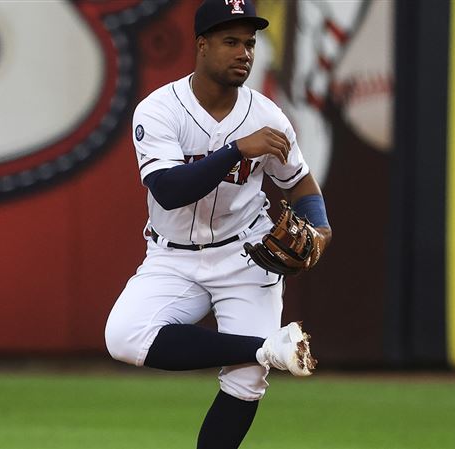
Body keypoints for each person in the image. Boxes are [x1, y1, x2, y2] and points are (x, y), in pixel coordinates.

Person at [105, 0, 332, 447]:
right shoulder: (159, 110)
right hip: (172, 258)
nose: (243, 52)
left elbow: (302, 185)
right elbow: (169, 189)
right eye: (230, 41)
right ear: (202, 45)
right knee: (125, 336)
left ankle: (260, 352)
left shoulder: (267, 116)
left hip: (245, 254)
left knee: (246, 380)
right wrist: (235, 151)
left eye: (249, 43)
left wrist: (320, 232)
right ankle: (266, 346)